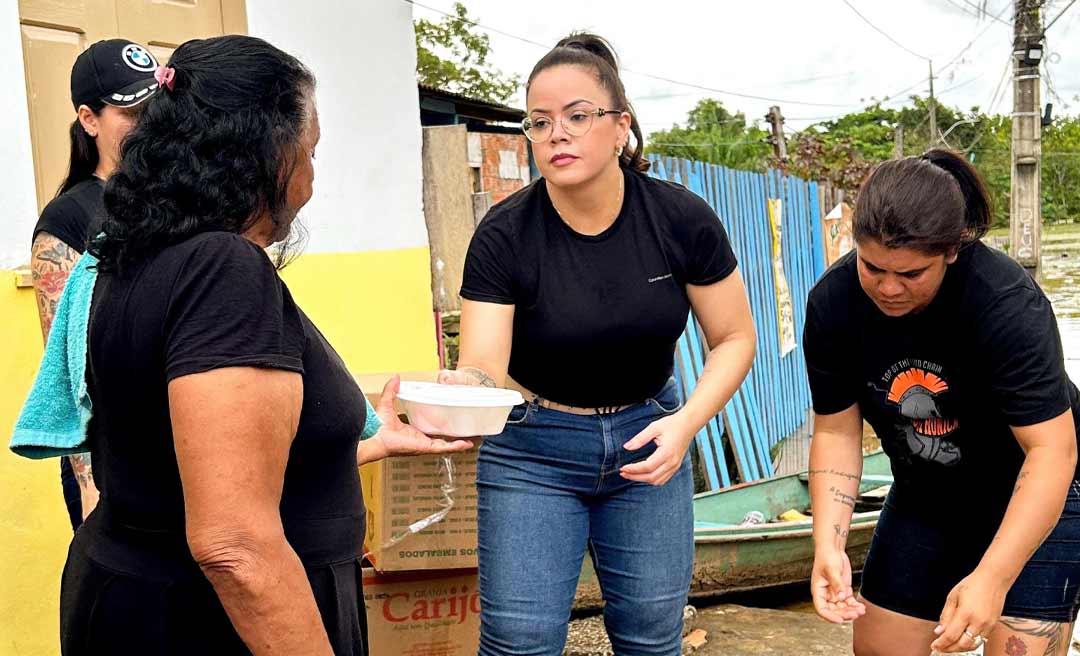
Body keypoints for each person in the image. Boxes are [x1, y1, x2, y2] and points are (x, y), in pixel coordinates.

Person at [60, 35, 469, 655]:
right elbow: (234, 544)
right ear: (268, 153)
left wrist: (365, 440)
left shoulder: (134, 254)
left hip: (136, 597)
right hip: (206, 624)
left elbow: (178, 467)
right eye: (311, 151)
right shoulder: (223, 272)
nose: (311, 175)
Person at [440, 33, 757, 656]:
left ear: (620, 127)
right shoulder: (504, 235)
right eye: (540, 122)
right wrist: (460, 391)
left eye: (578, 116)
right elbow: (483, 367)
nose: (557, 134)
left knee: (649, 637)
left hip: (652, 437)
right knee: (520, 642)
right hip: (532, 448)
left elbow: (735, 336)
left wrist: (687, 425)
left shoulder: (680, 220)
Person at [804, 148, 1080, 655]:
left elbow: (1052, 453)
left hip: (1037, 488)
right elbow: (836, 430)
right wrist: (828, 542)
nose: (888, 288)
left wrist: (992, 578)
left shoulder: (1004, 304)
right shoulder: (833, 304)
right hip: (926, 491)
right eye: (873, 267)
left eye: (911, 275)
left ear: (952, 251)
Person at [31, 38, 162, 531]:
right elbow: (70, 369)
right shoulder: (68, 220)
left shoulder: (176, 199)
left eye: (155, 110)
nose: (148, 125)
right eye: (131, 113)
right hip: (115, 471)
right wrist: (90, 485)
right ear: (89, 119)